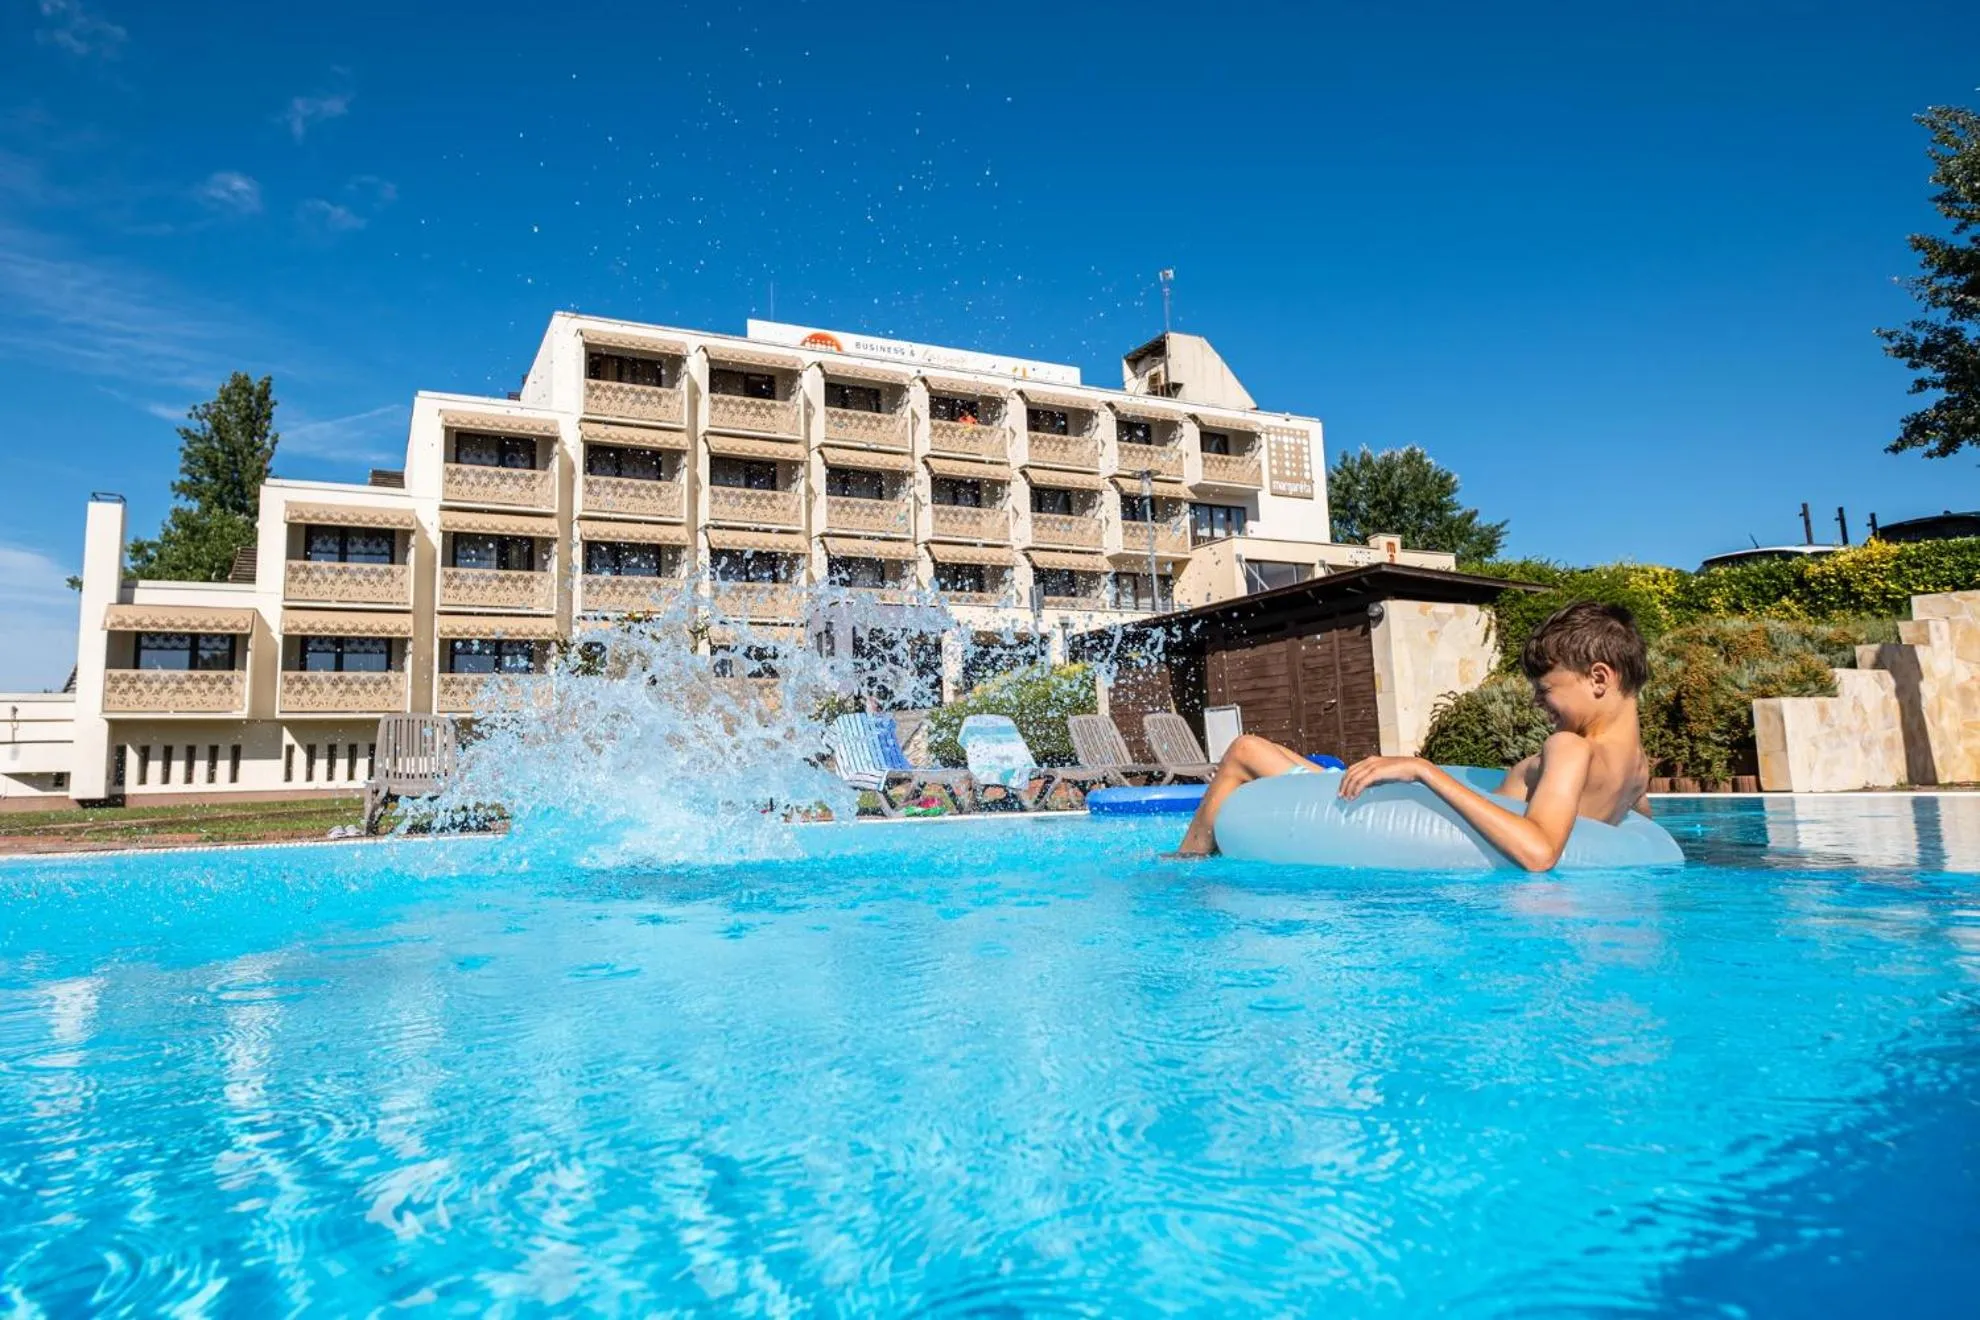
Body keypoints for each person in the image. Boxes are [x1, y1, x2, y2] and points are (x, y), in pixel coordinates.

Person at [1172, 601, 1652, 869]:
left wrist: (1423, 771)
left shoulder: (1569, 747)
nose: (1538, 703)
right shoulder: (1637, 766)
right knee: (1273, 757)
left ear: (1599, 678)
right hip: (1432, 824)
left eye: (1546, 689)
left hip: (1422, 829)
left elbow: (1540, 851)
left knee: (1245, 750)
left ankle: (1184, 865)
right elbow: (1639, 828)